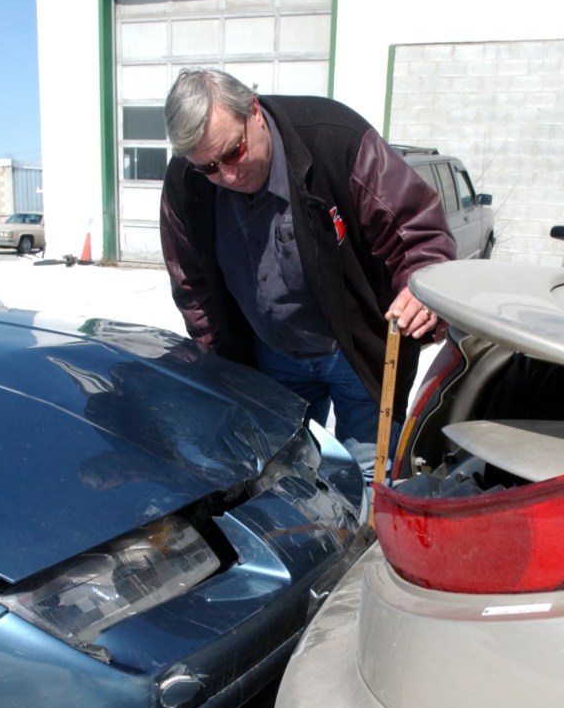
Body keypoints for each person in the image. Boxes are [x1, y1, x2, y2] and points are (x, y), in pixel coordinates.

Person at [159, 67, 456, 478]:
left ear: (255, 111)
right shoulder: (187, 184)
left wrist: (424, 280)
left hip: (358, 349)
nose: (227, 175)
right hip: (271, 355)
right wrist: (222, 362)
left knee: (368, 473)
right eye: (209, 166)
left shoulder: (336, 139)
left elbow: (416, 229)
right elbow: (193, 285)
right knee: (284, 474)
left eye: (233, 152)